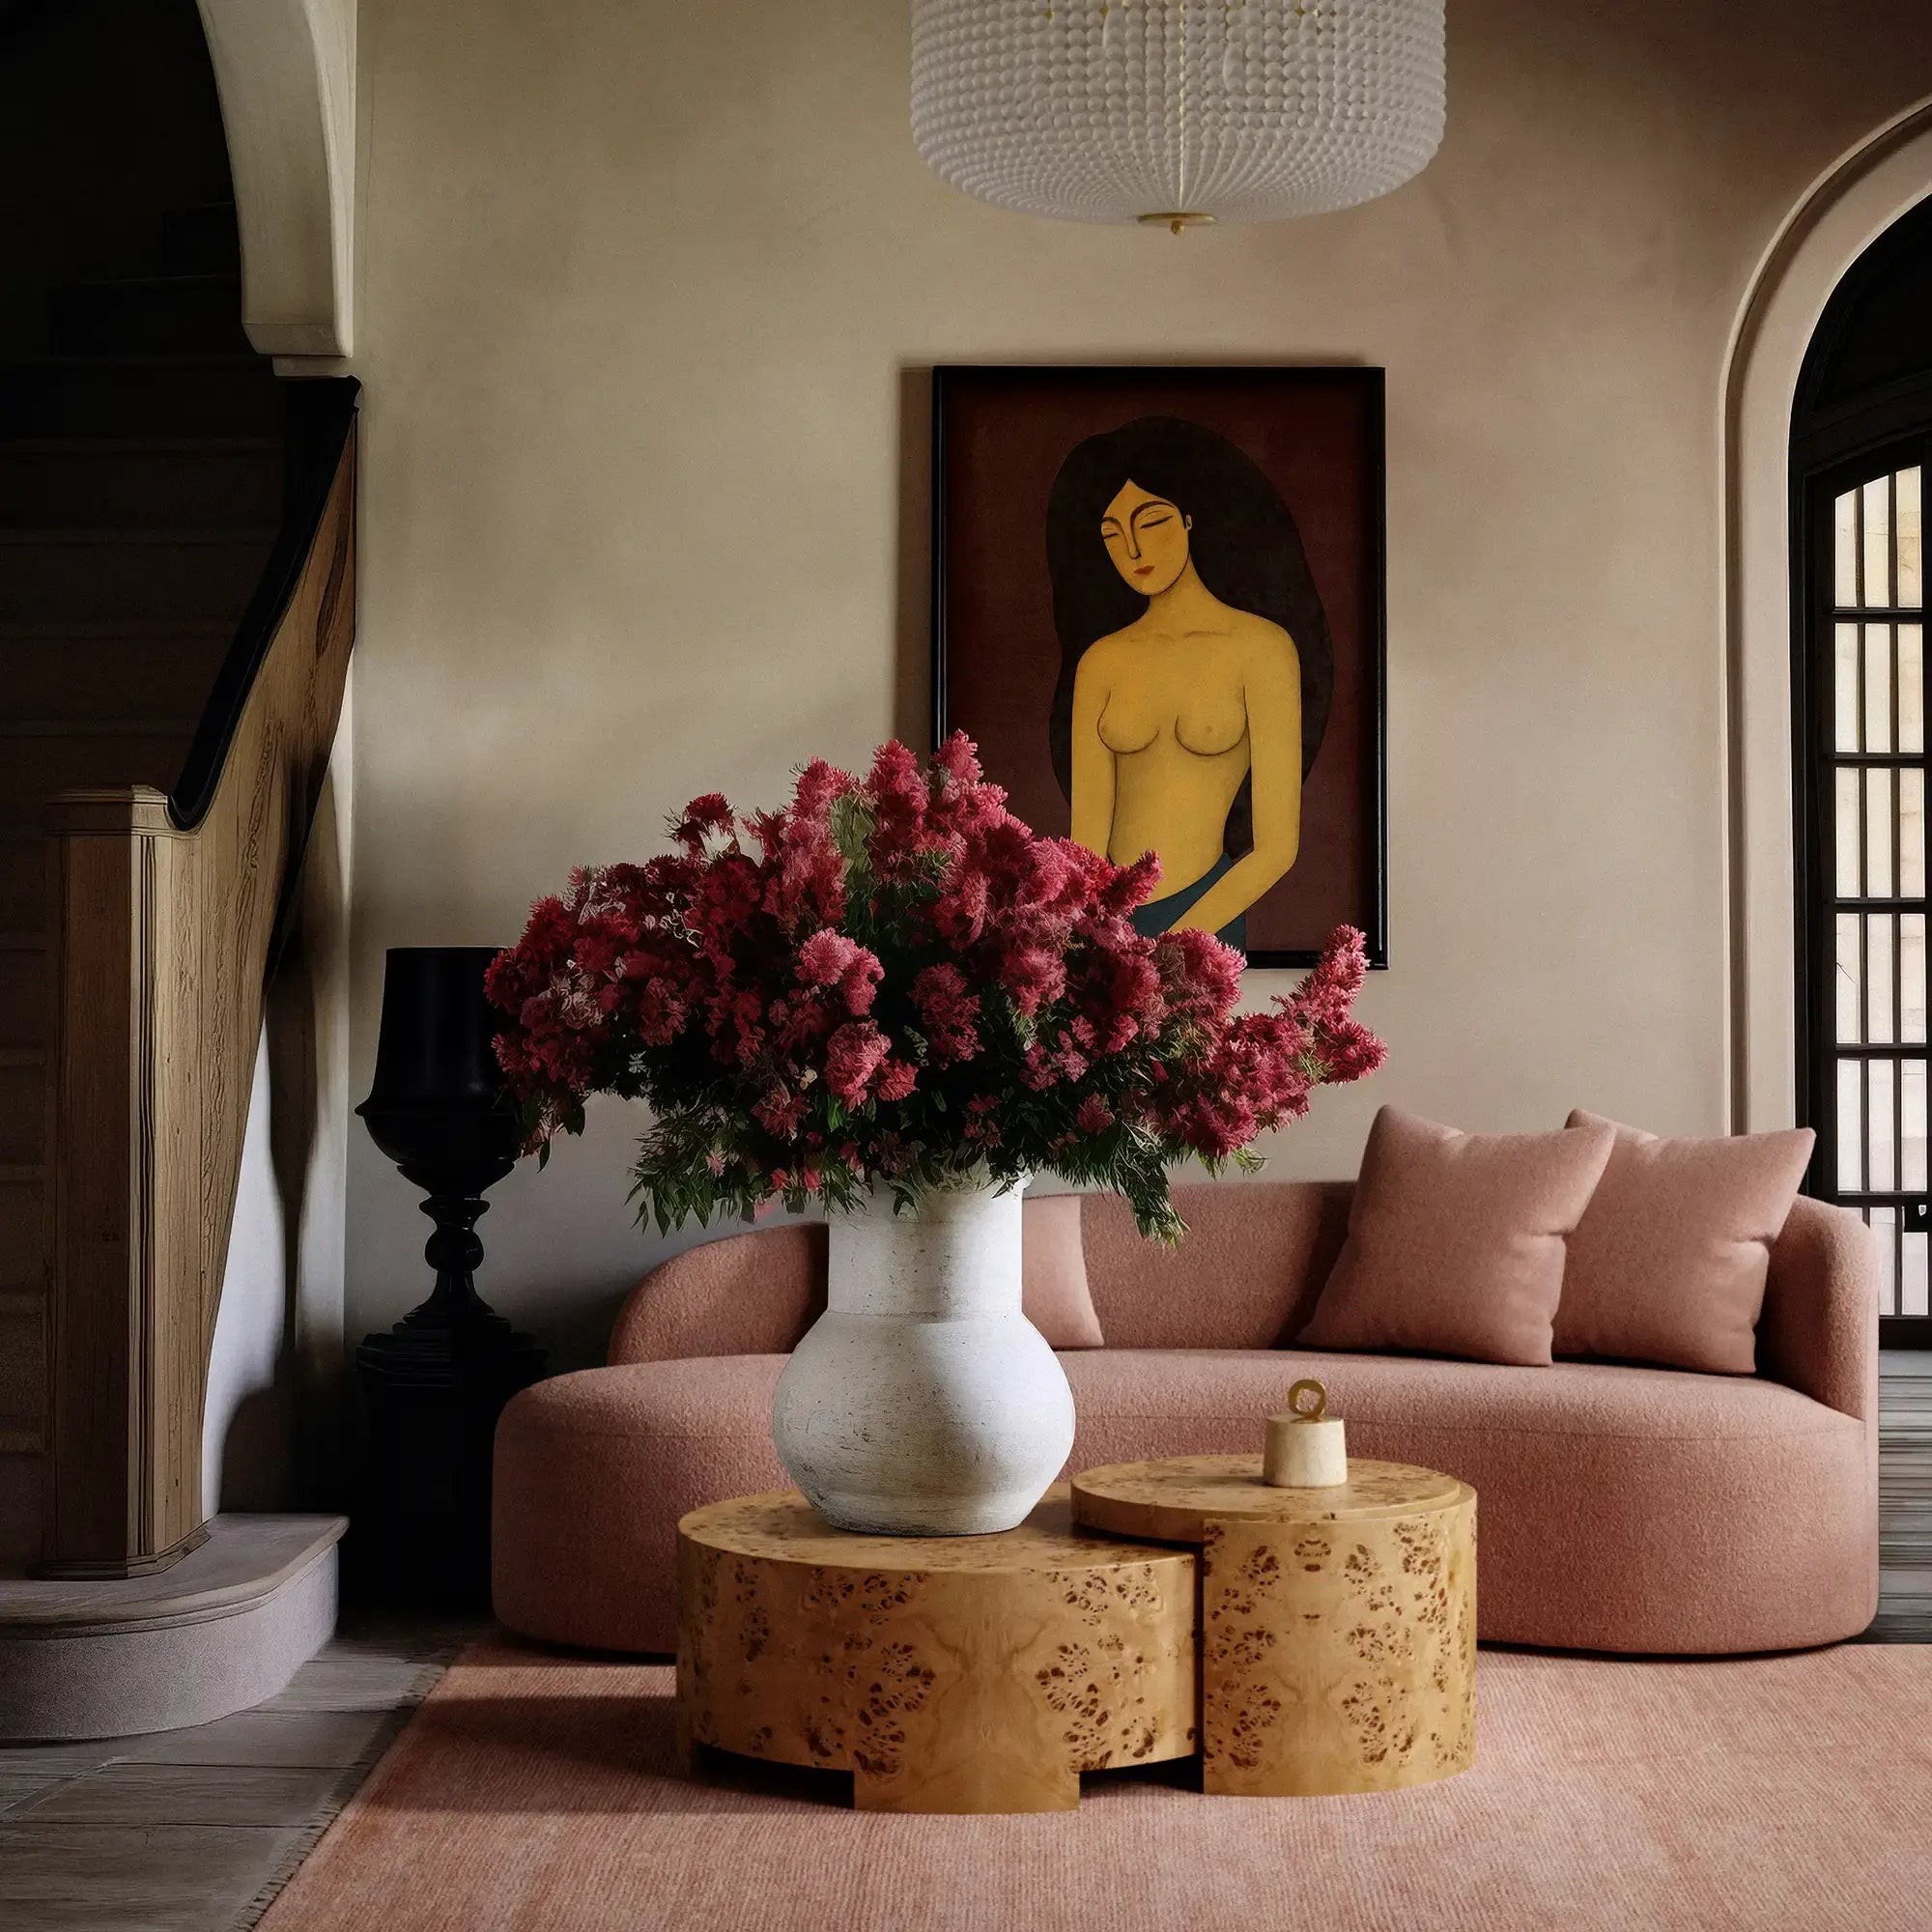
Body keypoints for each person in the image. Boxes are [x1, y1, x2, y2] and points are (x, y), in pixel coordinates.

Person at [1047, 414, 1333, 950]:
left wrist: (1171, 948)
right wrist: (1092, 935)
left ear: (1189, 519)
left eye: (1151, 522)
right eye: (1113, 533)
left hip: (1209, 910)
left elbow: (1276, 848)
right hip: (1106, 923)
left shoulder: (1262, 649)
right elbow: (1084, 842)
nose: (1133, 550)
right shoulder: (1101, 662)